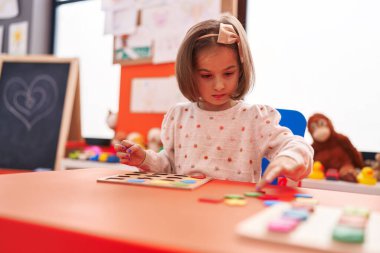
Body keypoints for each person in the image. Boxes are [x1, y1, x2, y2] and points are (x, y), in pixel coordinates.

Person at [114, 14, 314, 190]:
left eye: (228, 73)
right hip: (185, 212)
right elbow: (169, 165)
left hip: (233, 213)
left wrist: (290, 157)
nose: (219, 85)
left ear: (241, 69)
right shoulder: (179, 116)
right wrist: (146, 159)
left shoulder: (254, 117)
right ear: (190, 74)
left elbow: (294, 144)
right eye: (206, 75)